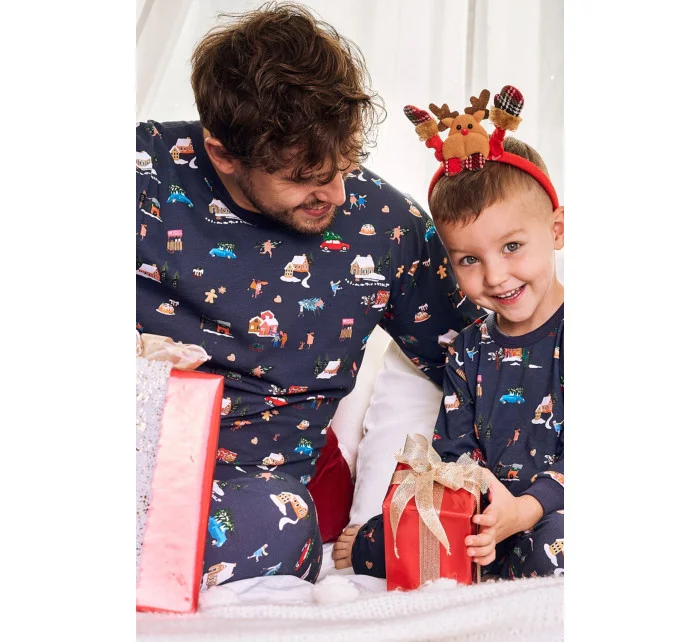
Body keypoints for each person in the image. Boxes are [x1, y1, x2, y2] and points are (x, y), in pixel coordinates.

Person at [136, 2, 479, 588]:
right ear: (222, 153)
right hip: (130, 455)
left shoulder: (388, 227)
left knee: (286, 526)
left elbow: (483, 357)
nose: (338, 195)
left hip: (252, 497)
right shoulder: (140, 174)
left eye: (345, 164)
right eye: (304, 178)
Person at [333, 85, 564, 580]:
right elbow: (455, 446)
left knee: (555, 545)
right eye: (468, 259)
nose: (495, 276)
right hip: (486, 516)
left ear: (557, 230)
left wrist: (523, 510)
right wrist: (479, 502)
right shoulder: (467, 348)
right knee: (379, 541)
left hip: (553, 509)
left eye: (512, 246)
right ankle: (481, 558)